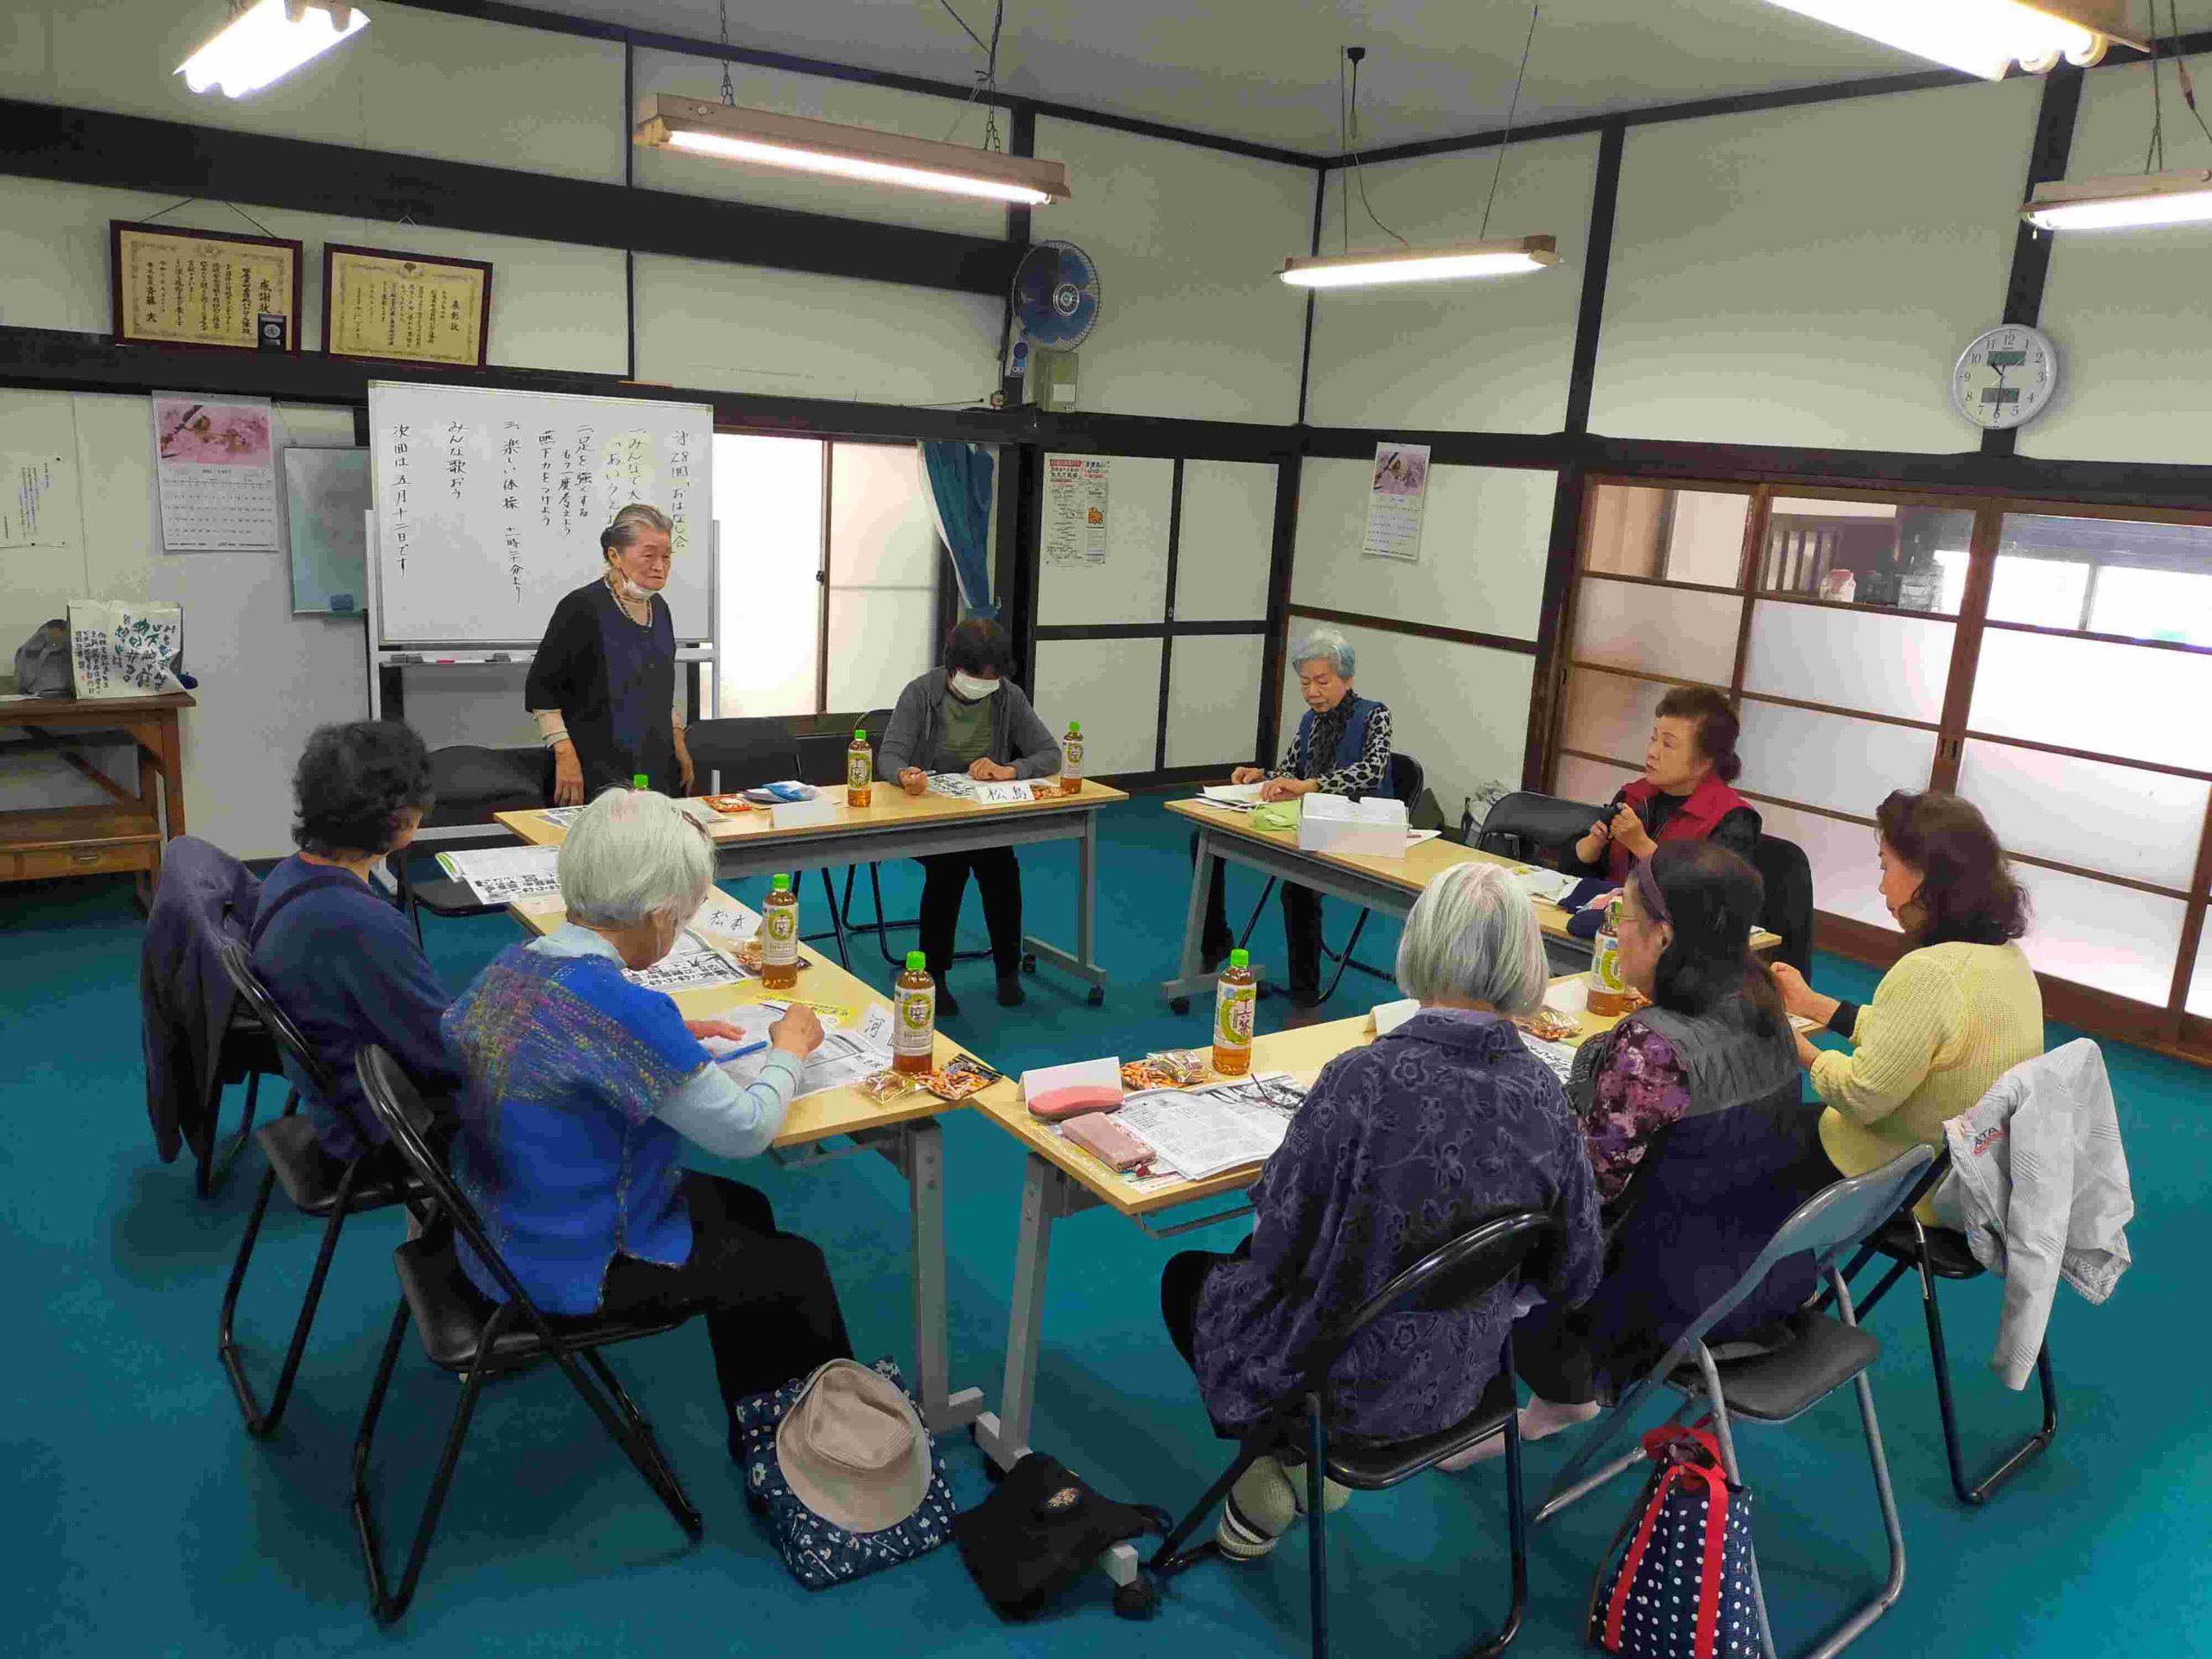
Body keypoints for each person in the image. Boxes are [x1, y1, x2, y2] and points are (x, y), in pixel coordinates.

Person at [1160, 862, 1601, 1561]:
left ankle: (1285, 1466)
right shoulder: (1546, 1096)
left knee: (1190, 1278)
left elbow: (1276, 1246)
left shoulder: (1360, 1080)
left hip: (1343, 1390)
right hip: (1468, 1378)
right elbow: (1575, 1271)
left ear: (1421, 943)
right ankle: (1295, 1477)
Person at [442, 789, 852, 1448]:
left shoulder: (512, 964)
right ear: (661, 916)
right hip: (566, 1258)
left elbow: (546, 1043)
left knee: (745, 1209)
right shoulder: (624, 1012)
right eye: (683, 919)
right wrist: (790, 1051)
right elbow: (747, 1131)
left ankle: (759, 1407)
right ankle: (808, 1452)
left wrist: (656, 1039)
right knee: (792, 1267)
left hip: (492, 1223)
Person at [1497, 842, 1822, 1450]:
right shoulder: (1764, 1008)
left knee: (1489, 1196)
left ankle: (1526, 1395)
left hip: (1668, 1295)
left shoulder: (1653, 1047)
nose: (1615, 931)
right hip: (1769, 1269)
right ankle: (1554, 1395)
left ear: (1665, 938)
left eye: (1624, 917)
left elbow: (1584, 1192)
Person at [1774, 790, 2042, 1185]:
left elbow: (1860, 1096)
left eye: (1885, 867)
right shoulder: (2007, 958)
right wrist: (1814, 1005)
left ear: (1925, 876)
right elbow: (1910, 1038)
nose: (1882, 888)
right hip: (1965, 1170)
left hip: (1892, 1173)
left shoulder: (1930, 972)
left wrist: (1793, 1043)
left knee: (1755, 1138)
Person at [251, 721, 462, 1162]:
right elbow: (444, 1055)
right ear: (398, 819)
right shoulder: (360, 924)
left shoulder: (288, 874)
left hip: (338, 1096)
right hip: (387, 1124)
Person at [1198, 626, 1394, 1020]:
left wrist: (1310, 785)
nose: (1312, 692)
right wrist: (1263, 776)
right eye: (1305, 683)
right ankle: (1215, 941)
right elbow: (1291, 771)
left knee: (1298, 887)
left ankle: (1305, 1001)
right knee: (1202, 839)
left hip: (1361, 826)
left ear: (1347, 679)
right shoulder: (1310, 720)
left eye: (1322, 682)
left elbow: (1371, 771)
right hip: (1307, 824)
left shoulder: (1376, 715)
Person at [878, 618, 1063, 1017]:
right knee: (949, 868)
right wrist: (905, 775)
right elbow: (889, 755)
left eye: (992, 678)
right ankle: (934, 976)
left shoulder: (1008, 696)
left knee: (1002, 868)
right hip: (929, 817)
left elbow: (1050, 754)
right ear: (953, 667)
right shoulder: (920, 693)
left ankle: (1007, 971)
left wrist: (1010, 770)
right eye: (977, 677)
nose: (984, 684)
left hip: (982, 816)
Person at [525, 503, 696, 804]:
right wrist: (564, 754)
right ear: (614, 556)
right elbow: (541, 691)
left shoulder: (660, 609)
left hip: (656, 764)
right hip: (592, 769)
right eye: (649, 556)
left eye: (666, 557)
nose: (660, 566)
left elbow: (660, 687)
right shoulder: (581, 607)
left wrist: (678, 743)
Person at [1567, 686, 1759, 885]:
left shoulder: (1733, 818)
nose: (1652, 752)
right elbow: (1575, 873)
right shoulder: (1633, 795)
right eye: (1654, 739)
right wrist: (1593, 844)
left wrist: (1640, 844)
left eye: (1668, 745)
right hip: (1610, 904)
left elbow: (1710, 894)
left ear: (1703, 763)